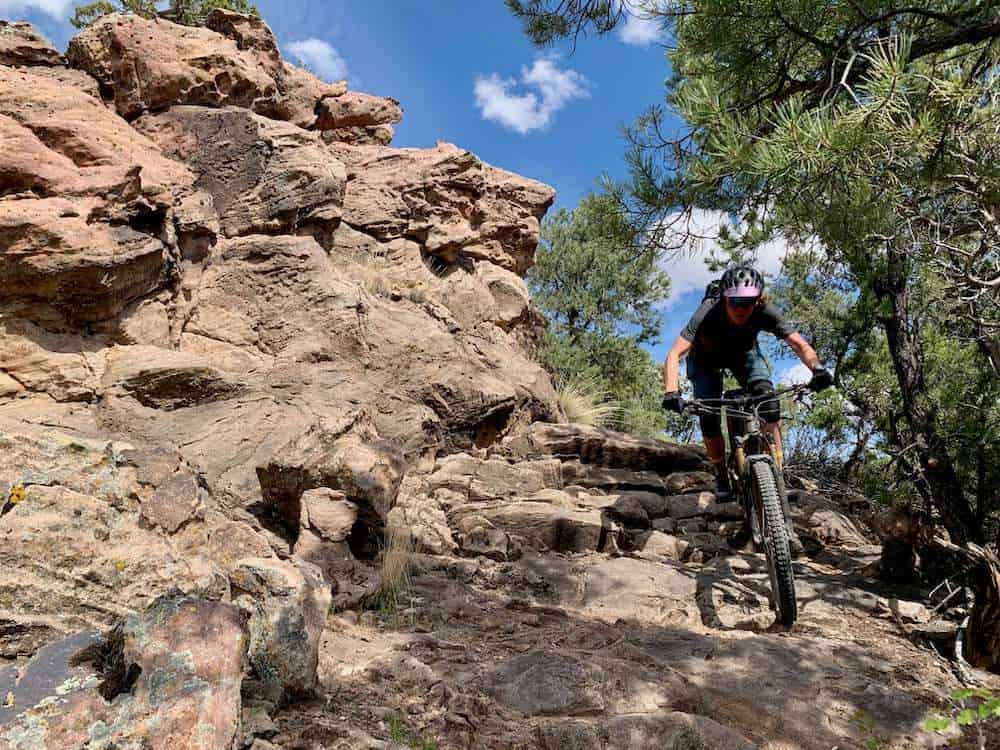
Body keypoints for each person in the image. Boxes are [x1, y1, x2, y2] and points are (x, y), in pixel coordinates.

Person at [660, 266, 833, 547]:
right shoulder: (708, 311)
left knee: (769, 403)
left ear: (758, 299)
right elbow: (675, 353)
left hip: (744, 354)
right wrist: (671, 391)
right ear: (725, 299)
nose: (742, 309)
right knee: (708, 415)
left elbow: (799, 344)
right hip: (705, 361)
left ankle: (777, 472)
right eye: (735, 302)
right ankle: (720, 472)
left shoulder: (765, 311)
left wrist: (818, 369)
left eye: (748, 302)